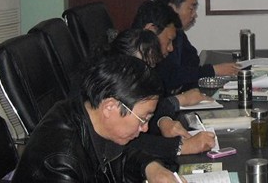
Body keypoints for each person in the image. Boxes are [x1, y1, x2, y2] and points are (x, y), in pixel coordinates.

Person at [12, 55, 180, 183]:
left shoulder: (93, 117)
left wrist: (152, 168)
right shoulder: (61, 162)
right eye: (143, 119)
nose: (145, 128)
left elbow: (123, 155)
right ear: (109, 107)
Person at [109, 28, 217, 159]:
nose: (147, 74)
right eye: (142, 67)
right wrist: (179, 147)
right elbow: (126, 142)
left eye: (150, 67)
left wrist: (163, 120)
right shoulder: (112, 93)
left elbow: (154, 109)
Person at [157, 0, 239, 94]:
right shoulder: (156, 36)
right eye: (191, 8)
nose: (194, 15)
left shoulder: (178, 32)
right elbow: (169, 76)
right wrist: (214, 70)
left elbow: (193, 60)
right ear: (172, 8)